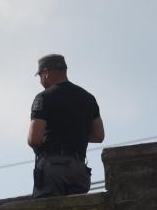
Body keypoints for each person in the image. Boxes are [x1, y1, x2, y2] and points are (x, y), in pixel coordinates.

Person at [27, 54, 105, 198]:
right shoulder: (88, 98)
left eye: (40, 76)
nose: (40, 81)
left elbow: (35, 139)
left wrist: (54, 137)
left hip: (54, 168)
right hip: (80, 169)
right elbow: (99, 136)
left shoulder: (43, 97)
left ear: (46, 73)